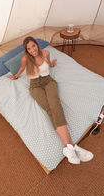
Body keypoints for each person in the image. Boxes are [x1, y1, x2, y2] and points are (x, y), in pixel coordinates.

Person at [9, 36, 94, 164]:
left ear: (37, 45)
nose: (32, 50)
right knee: (49, 109)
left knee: (56, 106)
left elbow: (47, 63)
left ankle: (68, 147)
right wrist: (15, 77)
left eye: (33, 46)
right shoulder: (26, 59)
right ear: (26, 51)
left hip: (48, 81)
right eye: (29, 48)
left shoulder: (46, 53)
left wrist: (52, 64)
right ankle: (72, 146)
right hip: (35, 86)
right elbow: (21, 69)